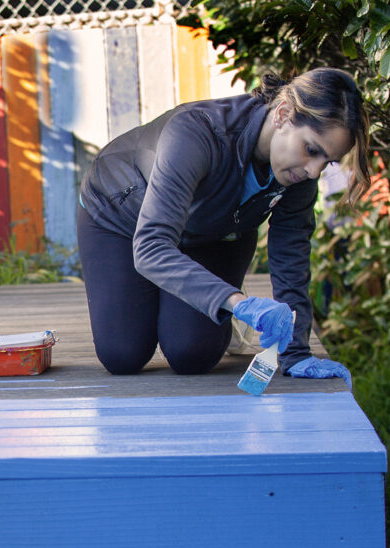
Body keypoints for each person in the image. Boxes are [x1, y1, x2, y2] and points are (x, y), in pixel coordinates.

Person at [76, 68, 370, 385]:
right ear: (283, 114)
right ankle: (192, 295)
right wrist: (237, 303)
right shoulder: (197, 133)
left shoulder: (299, 173)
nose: (314, 172)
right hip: (122, 219)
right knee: (123, 354)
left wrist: (296, 353)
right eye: (312, 150)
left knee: (192, 353)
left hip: (216, 232)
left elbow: (291, 258)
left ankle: (197, 298)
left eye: (327, 162)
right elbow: (150, 248)